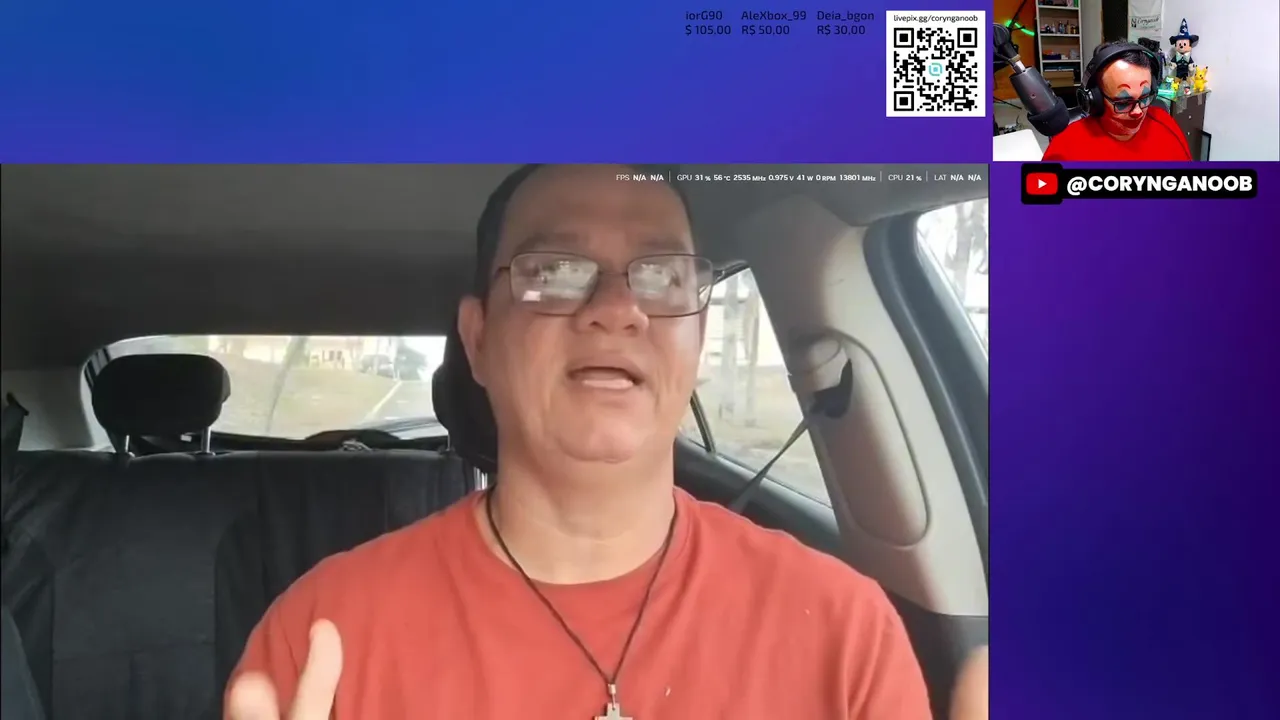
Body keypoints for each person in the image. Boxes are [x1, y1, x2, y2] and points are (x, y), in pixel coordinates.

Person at [224, 164, 933, 719]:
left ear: (698, 338)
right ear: (478, 340)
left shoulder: (844, 633)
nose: (618, 310)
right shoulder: (323, 638)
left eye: (662, 276)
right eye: (554, 271)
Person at [1043, 42, 1192, 162]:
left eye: (1145, 97)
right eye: (1124, 102)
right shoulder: (1066, 145)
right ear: (1094, 99)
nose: (1138, 112)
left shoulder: (1164, 122)